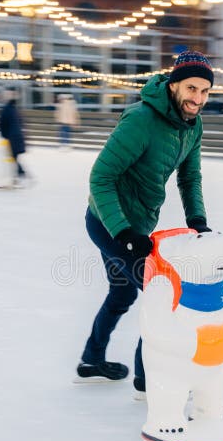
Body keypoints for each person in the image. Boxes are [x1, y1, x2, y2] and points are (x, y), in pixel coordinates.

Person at [78, 50, 215, 392]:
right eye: (191, 88)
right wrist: (122, 232)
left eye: (205, 91)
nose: (197, 98)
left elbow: (190, 177)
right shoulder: (141, 119)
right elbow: (101, 178)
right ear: (173, 85)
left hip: (137, 226)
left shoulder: (192, 126)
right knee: (162, 293)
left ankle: (92, 359)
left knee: (122, 295)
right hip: (108, 222)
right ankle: (147, 377)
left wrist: (198, 221)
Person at [0, 90, 30, 185]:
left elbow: (2, 123)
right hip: (18, 136)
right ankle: (19, 176)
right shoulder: (16, 110)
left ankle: (19, 176)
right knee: (14, 157)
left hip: (12, 137)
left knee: (11, 157)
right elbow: (22, 122)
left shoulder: (6, 109)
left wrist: (4, 135)